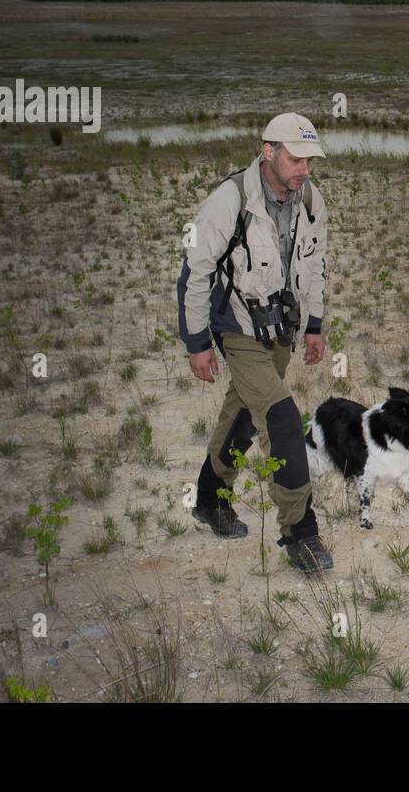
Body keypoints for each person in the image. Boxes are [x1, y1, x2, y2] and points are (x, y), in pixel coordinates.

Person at [176, 113, 331, 572]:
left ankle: (209, 499)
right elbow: (195, 273)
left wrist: (316, 325)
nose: (304, 169)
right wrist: (197, 342)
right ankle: (301, 533)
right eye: (296, 158)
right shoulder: (230, 201)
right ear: (269, 152)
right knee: (281, 416)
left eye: (310, 160)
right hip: (237, 327)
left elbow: (317, 261)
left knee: (244, 412)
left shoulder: (310, 199)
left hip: (280, 326)